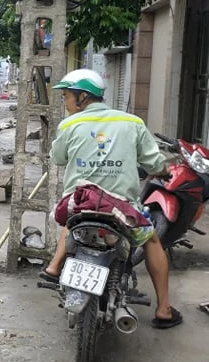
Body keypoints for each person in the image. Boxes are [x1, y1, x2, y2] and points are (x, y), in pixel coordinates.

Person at [41, 69, 182, 329]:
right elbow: (153, 162)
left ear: (83, 97)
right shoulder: (133, 122)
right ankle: (163, 308)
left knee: (70, 219)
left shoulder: (69, 125)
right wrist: (164, 170)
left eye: (67, 96)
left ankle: (53, 267)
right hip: (121, 207)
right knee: (151, 239)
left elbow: (58, 158)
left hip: (80, 202)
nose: (65, 102)